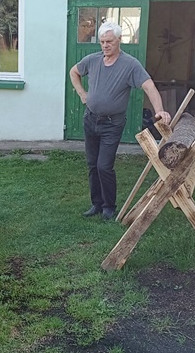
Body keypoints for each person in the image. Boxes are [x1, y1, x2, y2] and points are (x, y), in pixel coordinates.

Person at [69, 21, 171, 220]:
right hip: (90, 119)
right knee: (92, 164)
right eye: (102, 42)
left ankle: (109, 206)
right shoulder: (92, 60)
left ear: (119, 40)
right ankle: (96, 204)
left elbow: (149, 86)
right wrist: (82, 93)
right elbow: (74, 72)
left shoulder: (130, 64)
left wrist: (159, 110)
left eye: (109, 41)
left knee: (104, 166)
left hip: (112, 124)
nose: (105, 45)